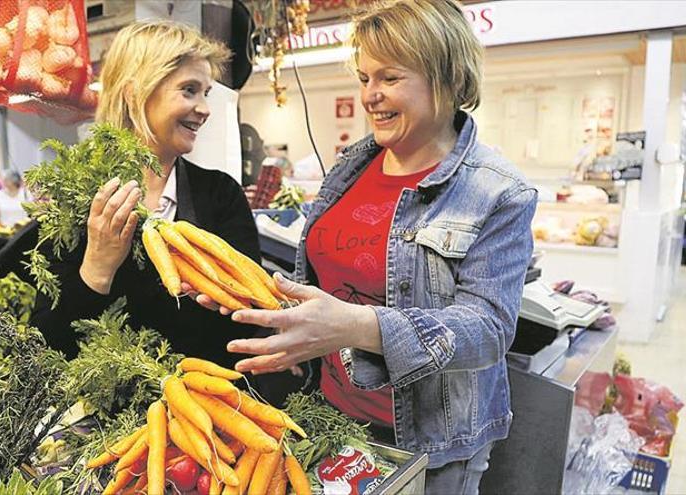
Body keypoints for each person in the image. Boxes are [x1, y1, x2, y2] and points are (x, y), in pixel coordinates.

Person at [199, 1, 537, 493]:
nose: (370, 96)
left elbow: (488, 329)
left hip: (428, 443)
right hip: (331, 417)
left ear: (445, 77)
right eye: (364, 78)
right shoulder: (352, 166)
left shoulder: (497, 190)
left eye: (390, 78)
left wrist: (353, 327)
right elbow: (329, 280)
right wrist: (268, 310)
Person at [30, 21, 261, 369]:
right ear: (136, 93)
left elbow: (255, 318)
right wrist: (96, 267)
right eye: (189, 90)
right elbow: (46, 346)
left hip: (208, 406)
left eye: (206, 93)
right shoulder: (75, 201)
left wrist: (229, 298)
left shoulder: (220, 195)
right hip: (103, 416)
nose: (205, 108)